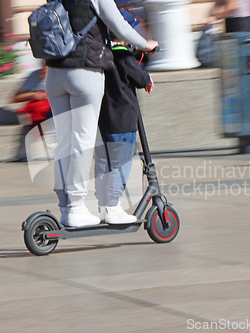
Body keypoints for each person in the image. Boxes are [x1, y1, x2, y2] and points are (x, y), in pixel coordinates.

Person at [44, 0, 158, 227]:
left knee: (64, 142)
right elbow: (119, 25)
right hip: (84, 70)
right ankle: (81, 208)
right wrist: (145, 44)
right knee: (82, 141)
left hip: (54, 74)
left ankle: (67, 207)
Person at [95, 38, 154, 224]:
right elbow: (140, 77)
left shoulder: (103, 54)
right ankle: (113, 207)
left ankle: (103, 205)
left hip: (104, 120)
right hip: (124, 122)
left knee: (104, 164)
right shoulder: (123, 56)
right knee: (120, 165)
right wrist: (147, 78)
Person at [13, 64, 52, 161]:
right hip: (38, 108)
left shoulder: (61, 75)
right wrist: (33, 94)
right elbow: (15, 98)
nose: (44, 74)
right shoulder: (34, 75)